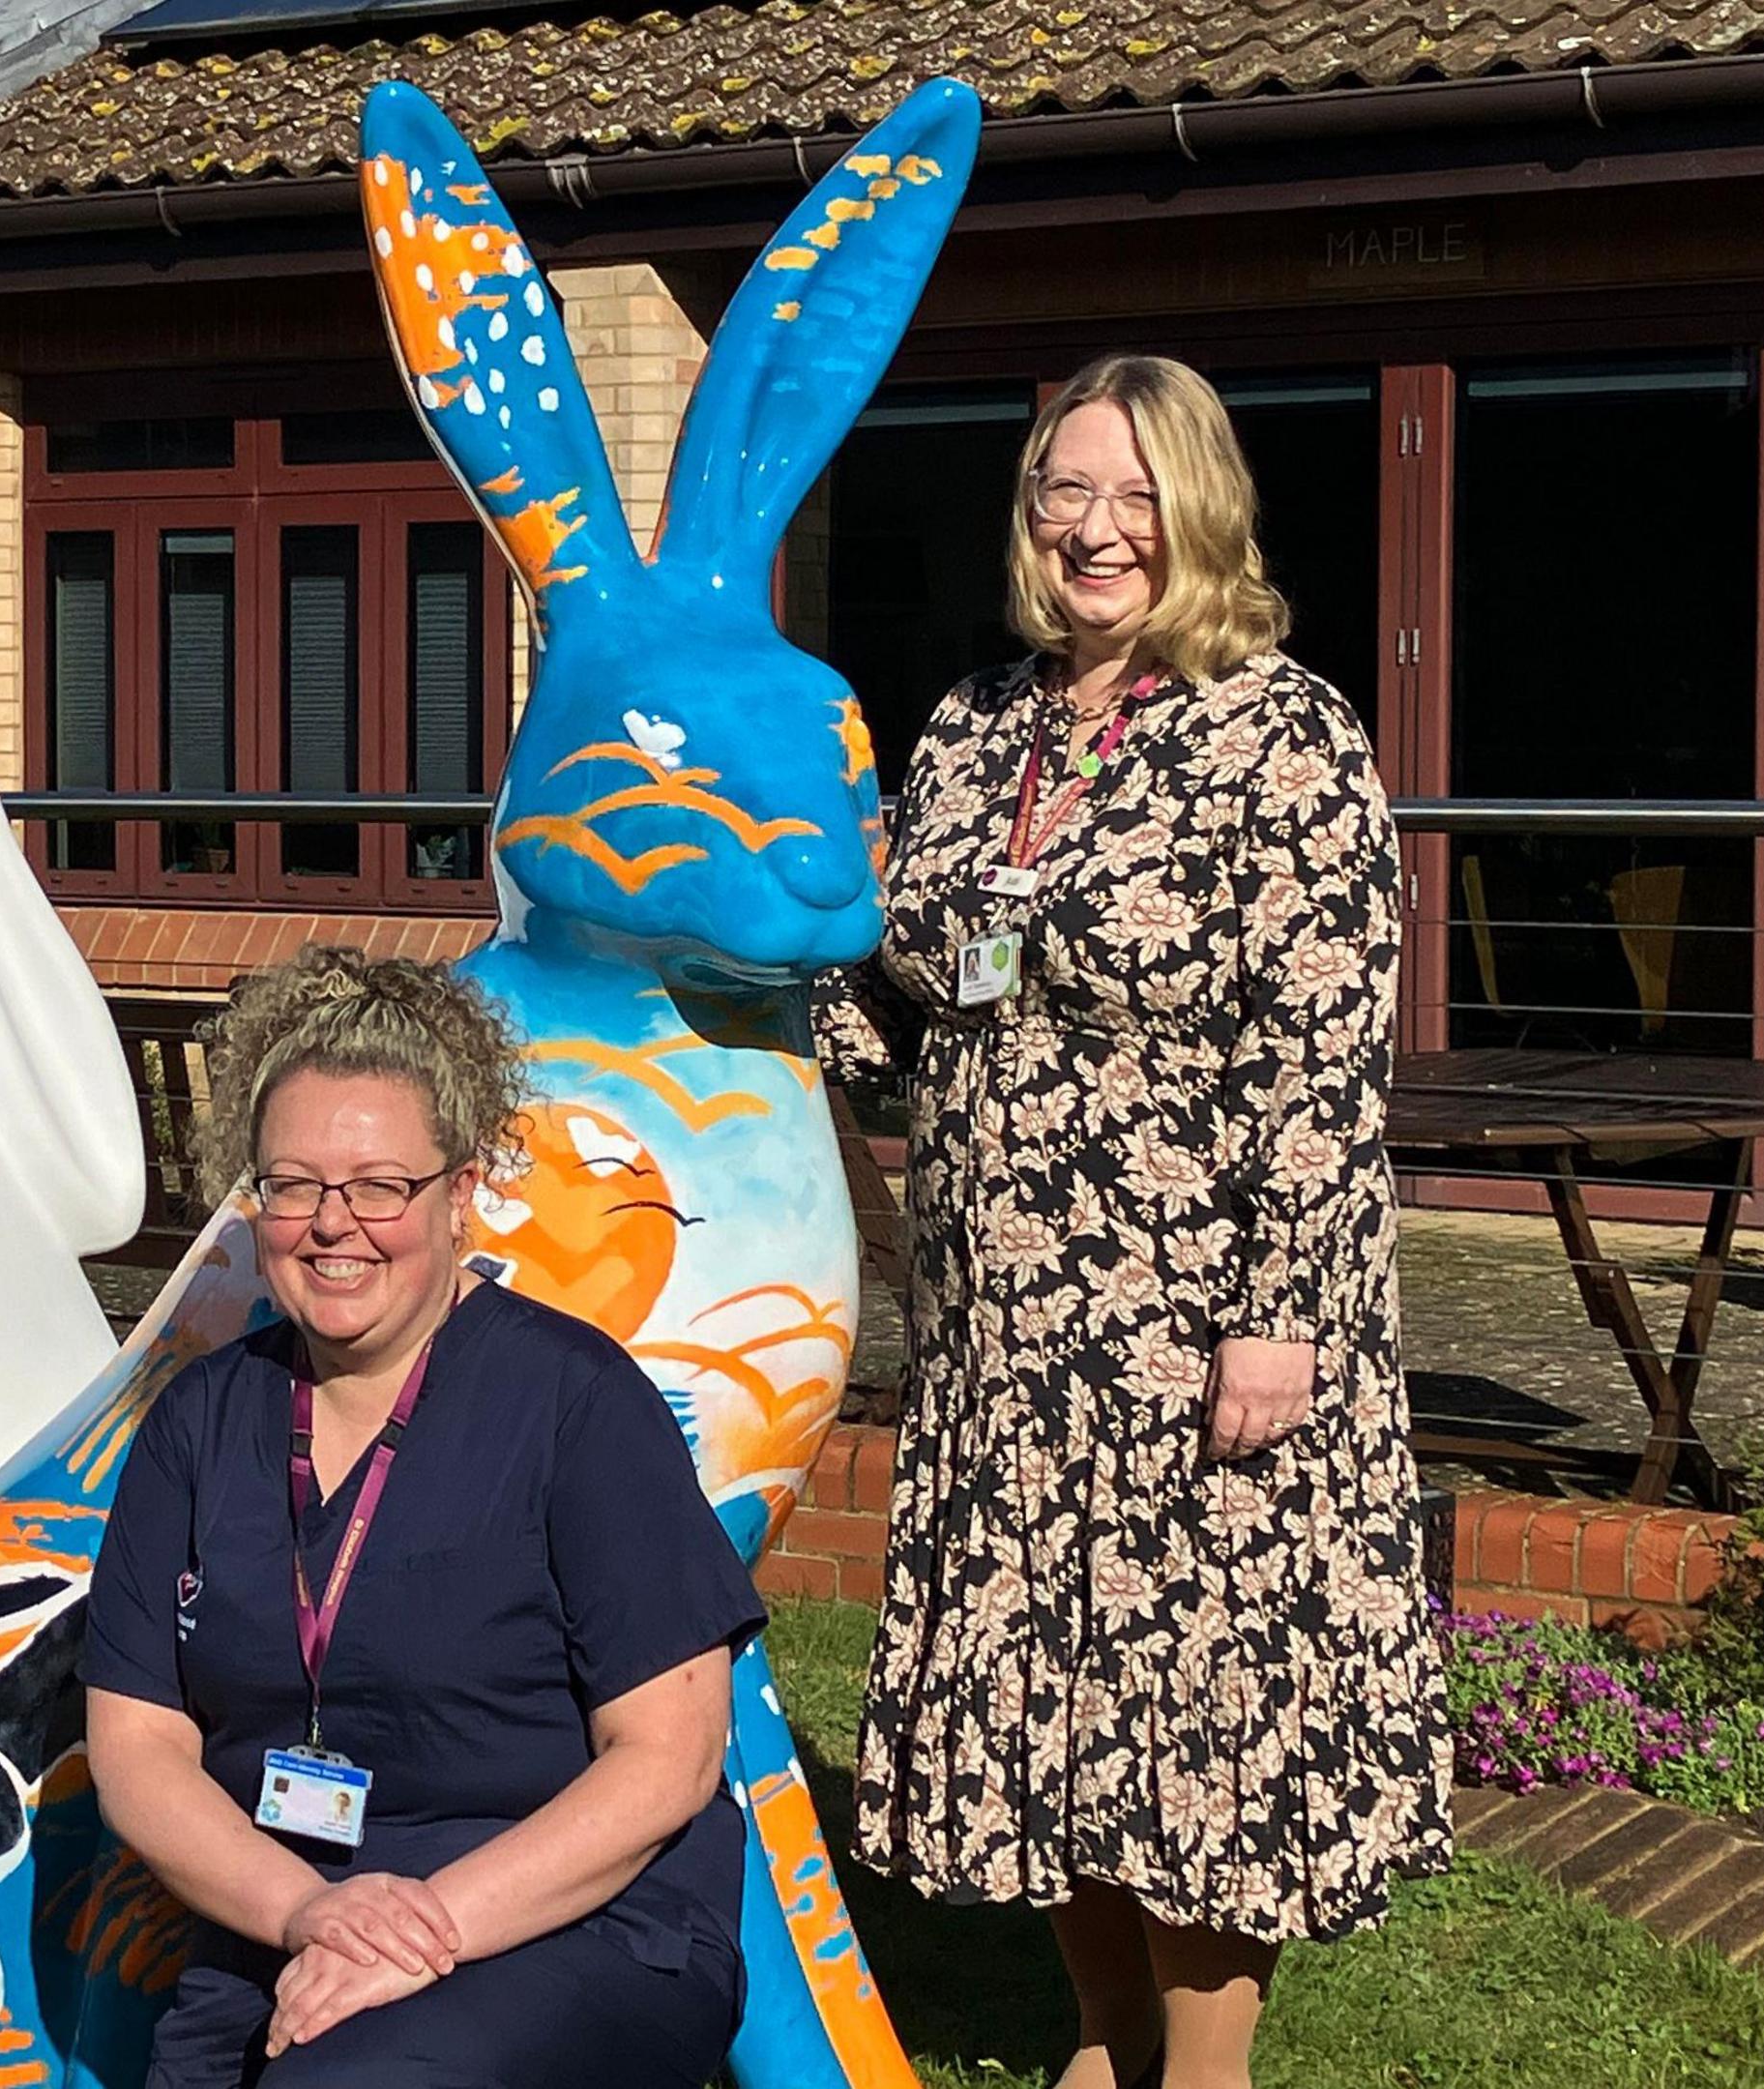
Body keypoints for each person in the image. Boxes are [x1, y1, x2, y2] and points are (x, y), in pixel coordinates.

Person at [818, 354, 1448, 2089]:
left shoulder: (1284, 731)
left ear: (1202, 509)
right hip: (1010, 1333)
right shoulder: (972, 726)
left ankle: (1207, 2063)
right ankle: (1100, 2038)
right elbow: (916, 988)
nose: (1095, 531)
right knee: (1048, 1706)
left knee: (1196, 1720)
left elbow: (1325, 1053)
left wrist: (1280, 1311)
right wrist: (740, 999)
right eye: (1062, 493)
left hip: (1198, 1322)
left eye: (1133, 494)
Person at [83, 947, 762, 2088]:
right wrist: (308, 1913)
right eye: (292, 1184)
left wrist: (423, 1931)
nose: (331, 1224)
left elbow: (668, 1761)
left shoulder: (576, 1405)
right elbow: (137, 1749)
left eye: (379, 1185)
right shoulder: (201, 1418)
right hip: (290, 1920)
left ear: (460, 1193)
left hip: (566, 1919)